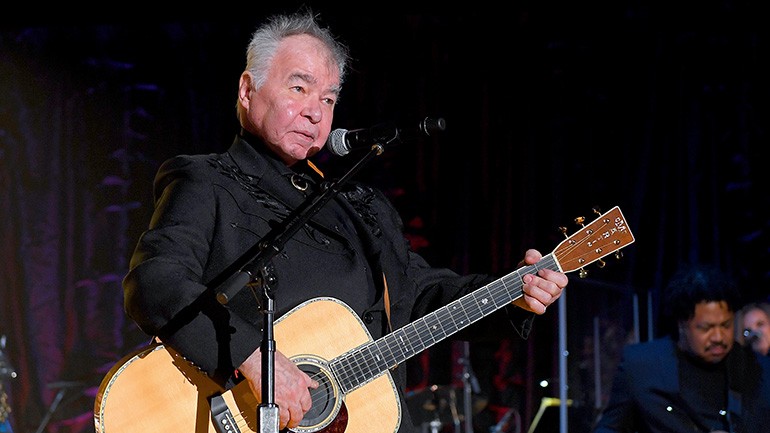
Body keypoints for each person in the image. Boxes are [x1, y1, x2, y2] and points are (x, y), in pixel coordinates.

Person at [121, 10, 569, 433]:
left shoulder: (363, 208)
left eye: (329, 97)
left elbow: (425, 296)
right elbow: (155, 282)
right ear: (246, 90)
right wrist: (255, 359)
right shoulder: (207, 180)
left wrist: (514, 294)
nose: (316, 111)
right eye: (299, 88)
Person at [592, 264, 770, 433]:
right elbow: (610, 428)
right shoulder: (641, 365)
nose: (718, 337)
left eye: (725, 325)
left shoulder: (761, 370)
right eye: (706, 328)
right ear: (681, 324)